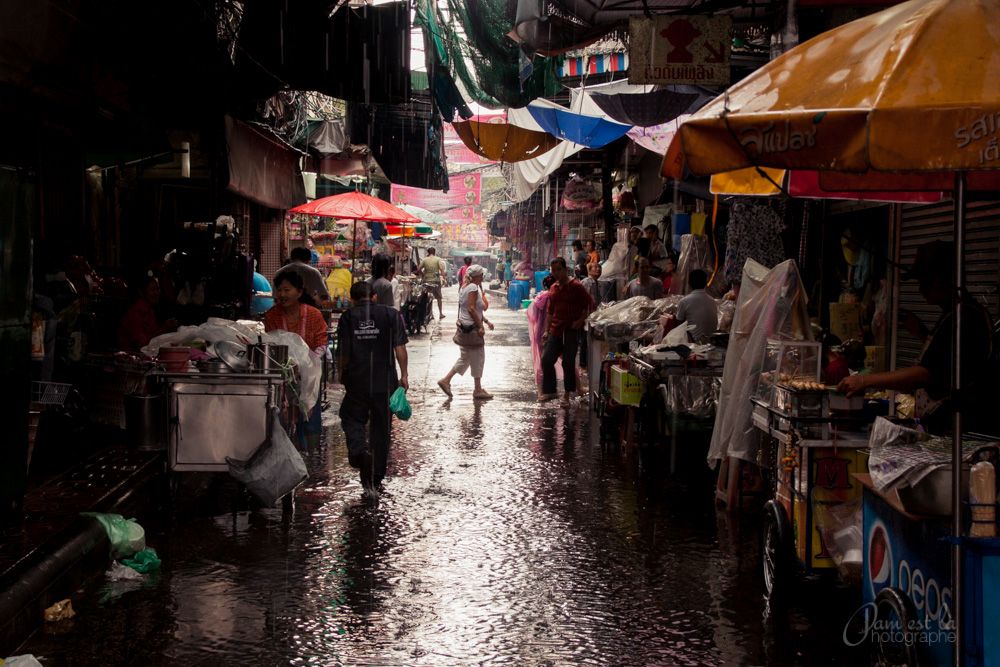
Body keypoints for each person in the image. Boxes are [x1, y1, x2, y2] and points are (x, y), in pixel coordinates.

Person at [837, 240, 993, 432]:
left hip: (958, 428)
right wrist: (922, 334)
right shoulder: (951, 315)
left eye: (927, 280)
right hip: (941, 426)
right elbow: (947, 363)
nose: (921, 289)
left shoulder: (965, 317)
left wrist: (864, 381)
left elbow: (926, 374)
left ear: (951, 278)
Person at [337, 281, 409, 494]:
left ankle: (360, 453)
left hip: (357, 380)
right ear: (375, 297)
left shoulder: (348, 317)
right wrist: (404, 375)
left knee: (352, 418)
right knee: (381, 428)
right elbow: (400, 348)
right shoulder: (391, 315)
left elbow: (343, 352)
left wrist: (341, 372)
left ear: (352, 299)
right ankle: (376, 477)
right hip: (384, 381)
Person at [264, 271, 329, 442]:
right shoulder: (272, 315)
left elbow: (322, 343)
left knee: (310, 425)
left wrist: (308, 363)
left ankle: (313, 461)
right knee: (281, 423)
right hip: (283, 374)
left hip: (309, 375)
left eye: (287, 290)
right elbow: (271, 343)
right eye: (279, 290)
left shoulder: (314, 315)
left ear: (299, 292)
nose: (282, 295)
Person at [540, 257, 595, 407]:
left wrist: (580, 320)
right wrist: (546, 331)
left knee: (568, 362)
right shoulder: (553, 288)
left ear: (565, 269)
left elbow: (590, 305)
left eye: (559, 269)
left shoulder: (576, 287)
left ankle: (566, 394)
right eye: (554, 270)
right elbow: (550, 312)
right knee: (546, 359)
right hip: (555, 330)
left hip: (571, 330)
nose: (557, 273)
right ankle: (551, 390)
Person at [438, 264, 494, 400]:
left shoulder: (464, 287)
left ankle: (446, 380)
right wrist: (481, 326)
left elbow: (474, 310)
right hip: (472, 329)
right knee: (478, 358)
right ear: (477, 276)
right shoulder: (473, 287)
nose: (482, 277)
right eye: (481, 275)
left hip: (465, 328)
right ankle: (478, 389)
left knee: (466, 358)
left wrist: (486, 321)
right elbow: (471, 309)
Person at [119, 275, 178, 350]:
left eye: (158, 289)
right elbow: (139, 343)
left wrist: (167, 328)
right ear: (141, 292)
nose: (157, 293)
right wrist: (162, 329)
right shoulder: (135, 312)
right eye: (153, 290)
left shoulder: (149, 309)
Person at [675, 269, 718, 342]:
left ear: (688, 283)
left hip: (695, 343)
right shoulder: (712, 300)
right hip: (711, 341)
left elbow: (679, 324)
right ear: (705, 283)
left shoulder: (684, 301)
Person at [578, 262, 603, 371]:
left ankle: (590, 363)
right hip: (586, 316)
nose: (598, 269)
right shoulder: (586, 282)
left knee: (592, 339)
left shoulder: (598, 283)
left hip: (594, 316)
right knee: (584, 340)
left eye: (599, 267)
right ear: (589, 270)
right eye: (595, 267)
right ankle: (583, 365)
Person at [417, 247, 446, 319]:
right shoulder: (438, 259)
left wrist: (423, 274)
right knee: (439, 297)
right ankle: (440, 313)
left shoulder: (424, 260)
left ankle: (431, 314)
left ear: (428, 253)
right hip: (436, 280)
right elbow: (441, 268)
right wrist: (444, 279)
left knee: (429, 297)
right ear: (435, 252)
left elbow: (418, 269)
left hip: (427, 281)